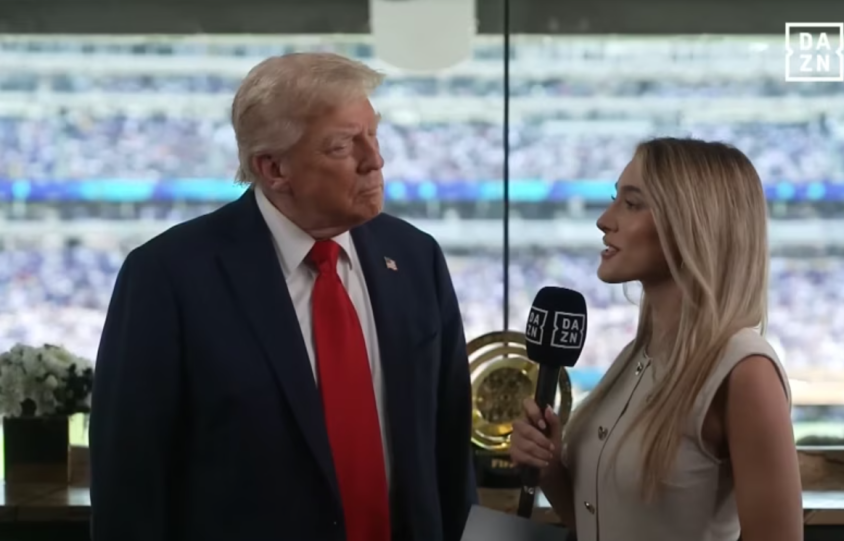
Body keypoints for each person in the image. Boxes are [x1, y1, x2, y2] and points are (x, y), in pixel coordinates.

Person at [90, 52, 476, 541]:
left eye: (373, 135)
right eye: (343, 145)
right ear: (273, 168)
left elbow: (449, 456)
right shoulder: (167, 277)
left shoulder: (416, 259)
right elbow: (129, 484)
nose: (374, 160)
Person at [509, 138, 803, 541]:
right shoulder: (635, 357)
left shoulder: (745, 370)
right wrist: (549, 469)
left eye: (632, 204)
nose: (604, 220)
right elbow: (599, 522)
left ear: (692, 224)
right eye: (615, 199)